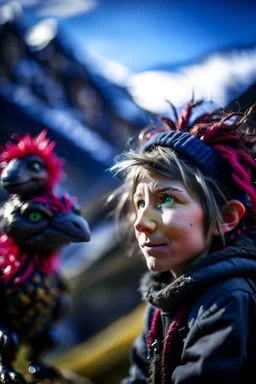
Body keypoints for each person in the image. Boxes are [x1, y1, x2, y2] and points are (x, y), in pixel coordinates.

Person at [109, 99, 256, 384]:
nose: (141, 221)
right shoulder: (161, 298)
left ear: (226, 217)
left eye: (166, 199)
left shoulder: (228, 298)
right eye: (140, 203)